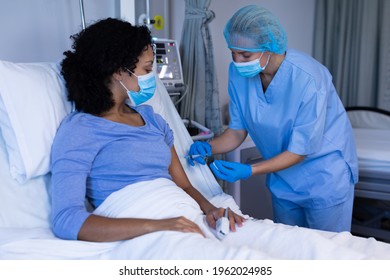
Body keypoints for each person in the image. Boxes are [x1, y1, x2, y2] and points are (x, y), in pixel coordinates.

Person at [50, 17, 245, 243]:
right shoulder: (80, 130)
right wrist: (159, 226)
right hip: (151, 229)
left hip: (187, 216)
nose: (152, 76)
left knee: (283, 242)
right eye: (147, 68)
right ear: (118, 71)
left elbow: (183, 185)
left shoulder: (152, 119)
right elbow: (66, 219)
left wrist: (211, 210)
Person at [187, 5, 358, 233]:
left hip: (324, 176)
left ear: (269, 47)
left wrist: (250, 170)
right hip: (283, 179)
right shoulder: (238, 74)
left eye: (245, 54)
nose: (237, 61)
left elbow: (300, 150)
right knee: (288, 250)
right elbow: (237, 132)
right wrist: (208, 147)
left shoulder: (309, 79)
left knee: (327, 254)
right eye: (233, 52)